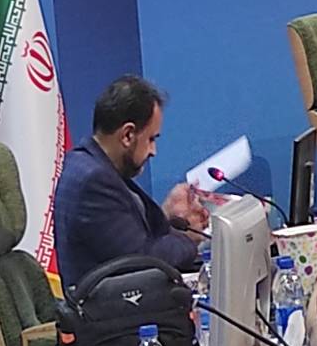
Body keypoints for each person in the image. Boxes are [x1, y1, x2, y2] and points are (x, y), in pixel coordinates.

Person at [53, 75, 204, 289]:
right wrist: (189, 238)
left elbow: (126, 238)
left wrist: (167, 215)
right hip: (112, 309)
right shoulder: (93, 182)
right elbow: (144, 261)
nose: (153, 151)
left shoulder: (92, 165)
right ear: (127, 135)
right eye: (151, 139)